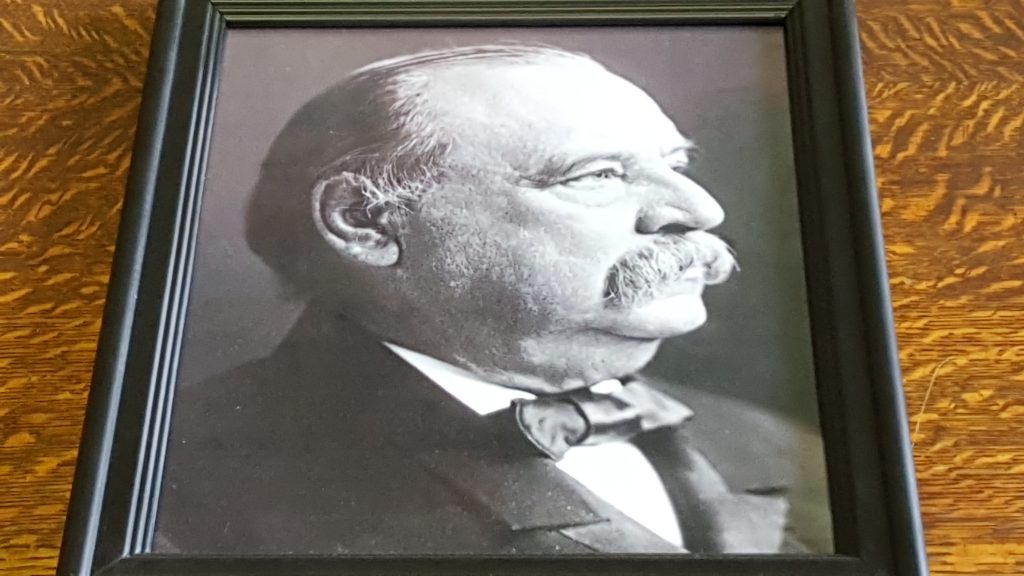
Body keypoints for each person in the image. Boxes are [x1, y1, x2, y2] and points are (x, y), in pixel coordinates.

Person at [156, 44, 831, 555]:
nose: (699, 210)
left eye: (675, 166)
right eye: (596, 176)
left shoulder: (781, 444)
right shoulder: (180, 491)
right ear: (365, 222)